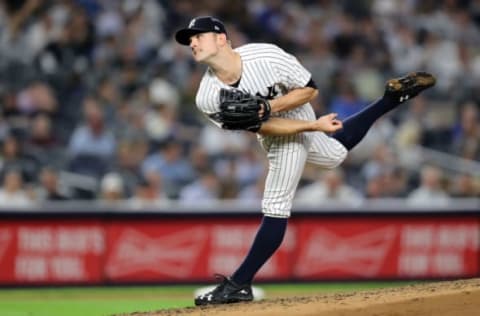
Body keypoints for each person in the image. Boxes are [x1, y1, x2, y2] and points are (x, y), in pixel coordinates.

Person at [174, 16, 436, 306]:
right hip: (276, 132)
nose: (192, 42)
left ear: (221, 39)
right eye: (189, 40)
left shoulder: (266, 55)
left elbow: (310, 89)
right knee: (334, 156)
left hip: (296, 111)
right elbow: (261, 127)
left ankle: (239, 283)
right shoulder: (208, 97)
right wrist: (313, 127)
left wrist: (270, 107)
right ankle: (389, 100)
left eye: (198, 36)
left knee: (275, 204)